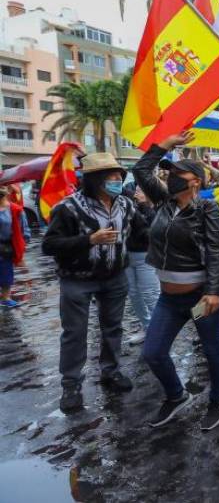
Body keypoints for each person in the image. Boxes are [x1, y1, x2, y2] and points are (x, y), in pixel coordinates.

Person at [134, 131, 219, 431]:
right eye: (169, 172)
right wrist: (166, 144)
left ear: (196, 181)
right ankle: (176, 395)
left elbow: (215, 251)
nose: (170, 177)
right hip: (169, 299)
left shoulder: (208, 208)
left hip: (200, 297)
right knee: (153, 352)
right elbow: (141, 170)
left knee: (212, 350)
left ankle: (217, 400)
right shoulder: (164, 202)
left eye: (178, 173)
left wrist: (213, 292)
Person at [43, 153, 138, 412]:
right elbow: (49, 245)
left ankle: (111, 371)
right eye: (111, 176)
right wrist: (89, 240)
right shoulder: (68, 207)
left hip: (115, 278)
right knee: (75, 333)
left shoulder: (126, 204)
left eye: (119, 175)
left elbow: (140, 233)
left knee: (113, 328)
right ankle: (71, 384)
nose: (117, 179)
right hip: (77, 281)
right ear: (95, 179)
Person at [121, 183, 159, 345]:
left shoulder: (157, 208)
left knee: (150, 294)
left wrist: (144, 205)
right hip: (127, 256)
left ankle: (159, 332)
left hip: (146, 257)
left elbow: (152, 229)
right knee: (134, 294)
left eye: (141, 190)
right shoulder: (128, 204)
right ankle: (147, 326)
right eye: (136, 190)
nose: (137, 193)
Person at [0, 185, 30, 308]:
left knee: (6, 272)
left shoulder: (15, 210)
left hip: (6, 247)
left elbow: (24, 230)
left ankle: (5, 298)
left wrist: (22, 246)